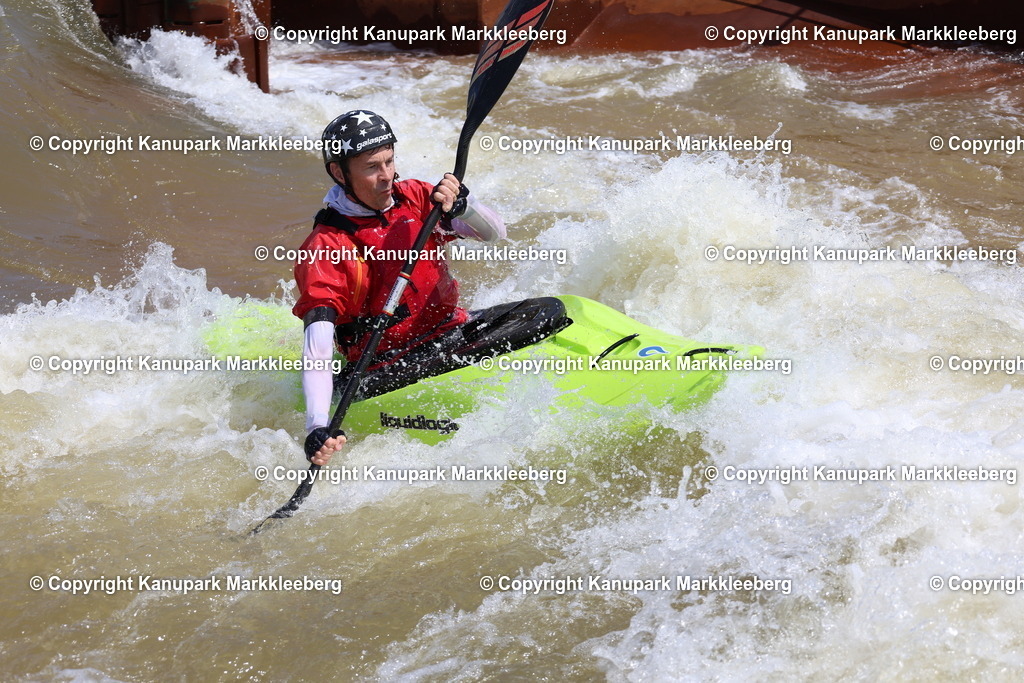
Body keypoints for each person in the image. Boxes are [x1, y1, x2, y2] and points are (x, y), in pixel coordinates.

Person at [292, 110, 506, 466]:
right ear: (338, 172)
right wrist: (317, 426)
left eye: (390, 161)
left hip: (448, 330)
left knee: (546, 312)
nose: (386, 176)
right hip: (385, 365)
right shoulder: (326, 247)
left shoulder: (418, 197)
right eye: (372, 167)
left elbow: (495, 234)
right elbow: (317, 345)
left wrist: (466, 207)